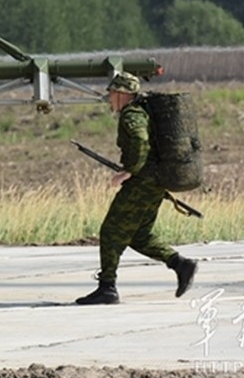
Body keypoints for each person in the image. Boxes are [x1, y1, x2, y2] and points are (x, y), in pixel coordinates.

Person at [76, 71, 198, 305]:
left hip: (142, 183)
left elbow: (140, 140)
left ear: (122, 94)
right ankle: (180, 264)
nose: (110, 98)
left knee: (111, 231)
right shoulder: (143, 112)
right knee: (139, 235)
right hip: (154, 183)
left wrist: (128, 171)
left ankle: (107, 287)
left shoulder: (131, 115)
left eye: (112, 93)